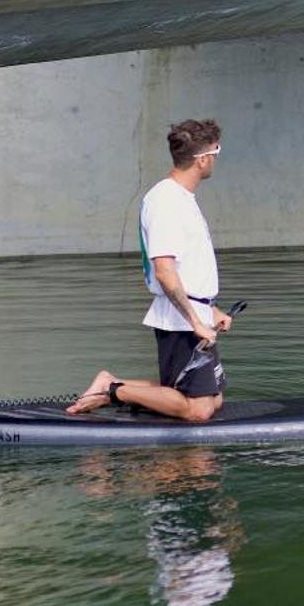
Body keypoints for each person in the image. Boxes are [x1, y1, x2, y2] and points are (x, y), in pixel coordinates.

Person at [68, 119, 234, 422]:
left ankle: (116, 387)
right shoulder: (166, 201)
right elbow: (164, 271)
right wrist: (195, 321)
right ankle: (111, 389)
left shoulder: (182, 198)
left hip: (194, 314)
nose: (216, 159)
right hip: (180, 321)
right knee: (199, 410)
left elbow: (189, 270)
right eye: (216, 151)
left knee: (214, 399)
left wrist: (212, 310)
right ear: (203, 159)